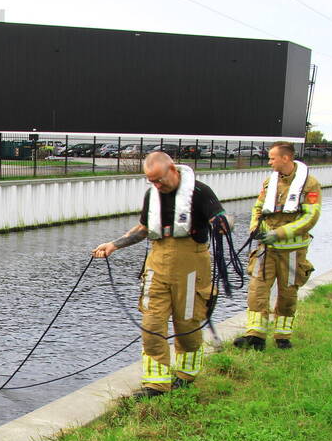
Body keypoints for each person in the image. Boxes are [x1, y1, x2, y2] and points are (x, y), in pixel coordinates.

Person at [92, 152, 232, 399]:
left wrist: (224, 223)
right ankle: (156, 384)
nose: (156, 185)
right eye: (151, 181)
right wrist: (114, 244)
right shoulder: (152, 195)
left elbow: (220, 218)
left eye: (159, 179)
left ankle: (186, 376)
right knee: (152, 324)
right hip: (157, 265)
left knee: (186, 324)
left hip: (191, 266)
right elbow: (145, 228)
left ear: (173, 170)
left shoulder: (200, 192)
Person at [234, 142, 321, 351]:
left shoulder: (309, 184)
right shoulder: (268, 182)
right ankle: (255, 336)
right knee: (257, 290)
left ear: (286, 158)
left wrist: (279, 234)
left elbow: (311, 217)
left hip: (292, 251)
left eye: (272, 158)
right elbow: (258, 207)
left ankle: (283, 337)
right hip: (266, 249)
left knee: (287, 293)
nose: (269, 161)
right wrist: (255, 226)